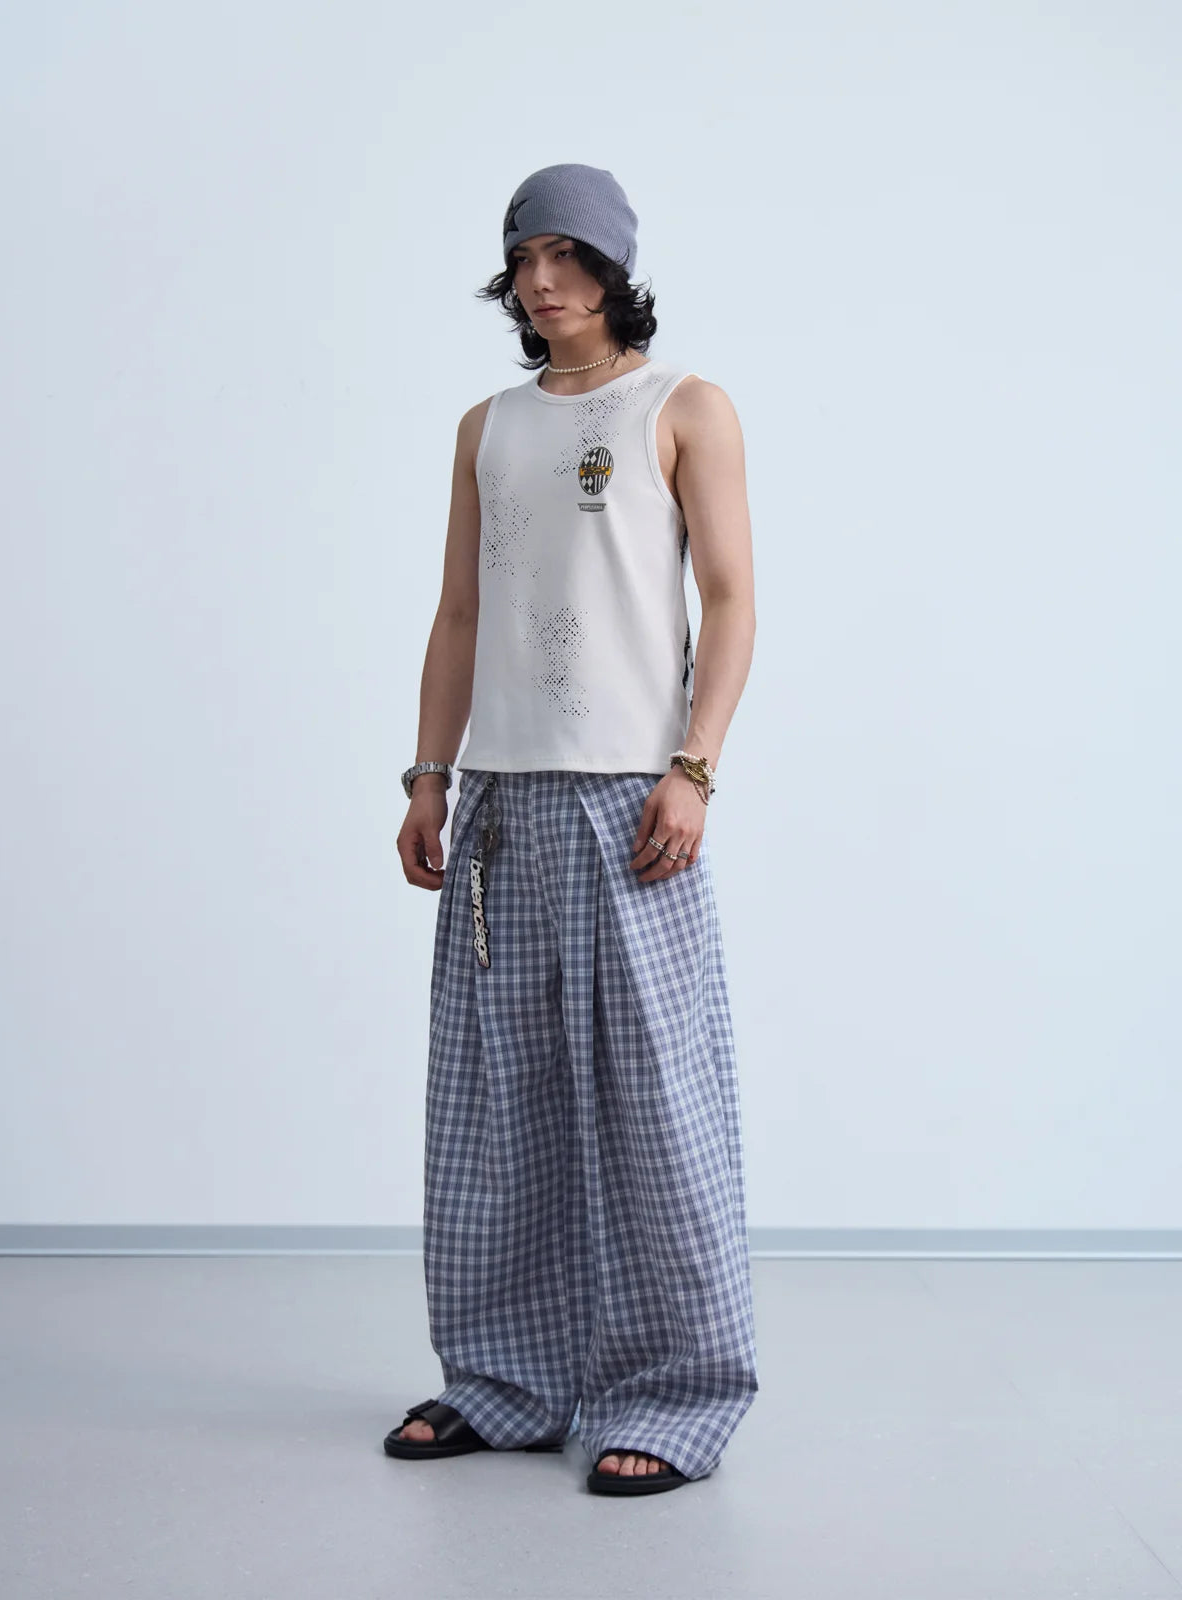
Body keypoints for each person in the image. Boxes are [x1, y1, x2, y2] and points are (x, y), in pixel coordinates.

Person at [386, 163, 758, 1496]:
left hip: (630, 800)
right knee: (498, 1111)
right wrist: (429, 777)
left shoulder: (683, 406)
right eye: (523, 259)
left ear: (613, 267)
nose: (542, 281)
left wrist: (694, 770)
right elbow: (459, 614)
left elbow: (731, 598)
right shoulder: (486, 425)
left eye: (568, 256)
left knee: (657, 1108)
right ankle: (506, 1381)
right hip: (500, 799)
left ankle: (678, 1392)